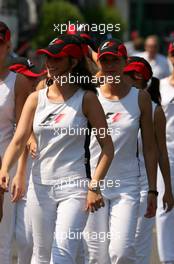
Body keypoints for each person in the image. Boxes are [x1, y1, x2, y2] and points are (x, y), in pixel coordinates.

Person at [0, 34, 114, 264]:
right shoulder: (35, 99)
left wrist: (94, 186)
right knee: (40, 256)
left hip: (74, 188)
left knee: (62, 255)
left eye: (57, 59)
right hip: (39, 188)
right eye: (47, 58)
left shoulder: (88, 100)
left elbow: (107, 148)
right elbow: (19, 139)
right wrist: (4, 168)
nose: (49, 64)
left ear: (73, 63)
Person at [83, 38, 157, 264]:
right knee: (96, 256)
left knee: (121, 252)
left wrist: (153, 190)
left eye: (115, 60)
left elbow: (151, 149)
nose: (110, 66)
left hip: (127, 185)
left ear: (125, 62)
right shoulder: (90, 95)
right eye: (105, 61)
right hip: (94, 183)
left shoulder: (141, 98)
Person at [123, 56, 174, 264]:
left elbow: (161, 153)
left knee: (137, 245)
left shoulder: (155, 111)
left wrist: (166, 190)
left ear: (139, 79)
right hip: (112, 185)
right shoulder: (108, 103)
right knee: (114, 248)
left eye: (127, 76)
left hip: (144, 187)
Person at [8, 56, 47, 264]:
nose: (32, 83)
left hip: (28, 179)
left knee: (27, 240)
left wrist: (21, 173)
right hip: (8, 173)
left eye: (34, 79)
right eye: (27, 78)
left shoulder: (38, 101)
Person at [0, 21, 33, 264]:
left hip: (4, 163)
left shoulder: (17, 82)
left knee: (3, 235)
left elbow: (22, 132)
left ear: (8, 46)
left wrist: (19, 173)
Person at [156, 41, 174, 264]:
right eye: (173, 54)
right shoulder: (160, 86)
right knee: (166, 204)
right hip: (166, 151)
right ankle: (168, 259)